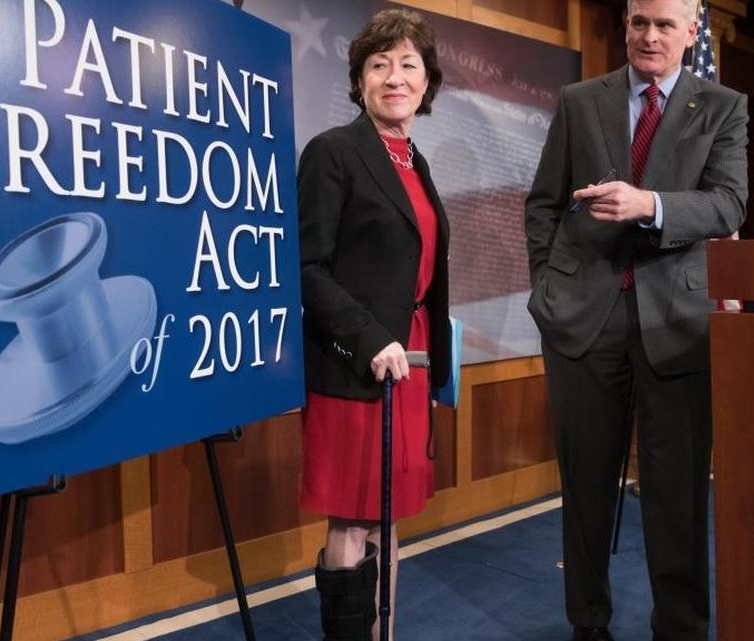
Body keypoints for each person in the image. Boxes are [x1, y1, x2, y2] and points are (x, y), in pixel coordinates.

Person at [523, 0, 748, 639]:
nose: (649, 36)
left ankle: (679, 631)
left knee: (678, 502)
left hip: (677, 326)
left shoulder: (724, 107)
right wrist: (548, 288)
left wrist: (648, 204)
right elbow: (542, 203)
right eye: (638, 22)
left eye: (665, 24)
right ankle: (587, 626)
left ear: (692, 32)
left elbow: (728, 205)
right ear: (625, 24)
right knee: (586, 497)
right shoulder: (578, 99)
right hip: (582, 325)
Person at [297, 8, 449, 641]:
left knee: (389, 520)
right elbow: (306, 268)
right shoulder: (334, 152)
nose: (394, 77)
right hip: (356, 362)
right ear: (359, 80)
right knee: (352, 521)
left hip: (409, 362)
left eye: (408, 65)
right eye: (379, 64)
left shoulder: (416, 163)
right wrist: (369, 340)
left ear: (426, 82)